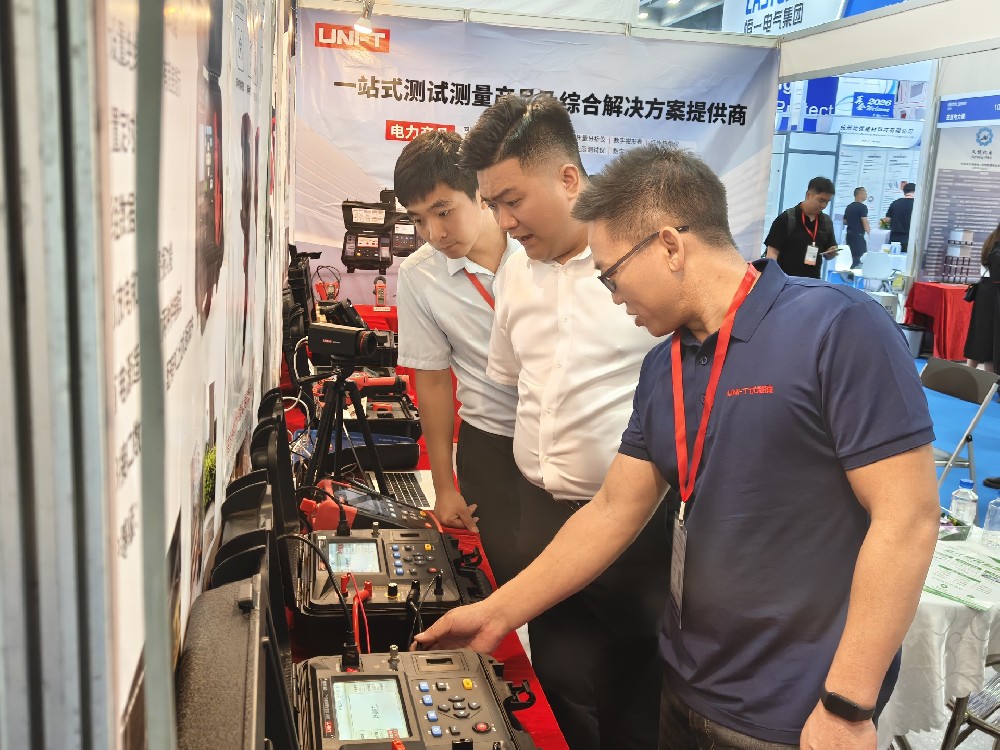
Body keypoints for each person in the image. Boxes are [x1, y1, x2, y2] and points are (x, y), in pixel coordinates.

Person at [415, 144, 941, 750]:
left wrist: (846, 707)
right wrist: (497, 613)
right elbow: (612, 511)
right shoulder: (663, 366)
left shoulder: (837, 327)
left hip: (797, 710)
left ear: (669, 246)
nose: (612, 295)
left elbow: (908, 517)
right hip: (688, 686)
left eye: (611, 273)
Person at [456, 94, 668, 750]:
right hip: (542, 517)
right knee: (555, 689)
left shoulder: (647, 263)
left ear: (569, 178)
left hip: (637, 528)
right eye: (492, 204)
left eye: (513, 200)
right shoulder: (515, 270)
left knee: (634, 696)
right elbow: (508, 389)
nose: (503, 220)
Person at [393, 131, 524, 585]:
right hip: (491, 441)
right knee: (505, 573)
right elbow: (430, 381)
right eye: (419, 220)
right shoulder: (419, 275)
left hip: (565, 433)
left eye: (443, 211)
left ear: (480, 193)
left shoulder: (535, 245)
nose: (434, 234)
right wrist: (444, 485)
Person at [764, 176, 839, 278]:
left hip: (813, 282)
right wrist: (771, 278)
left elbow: (828, 253)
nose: (824, 205)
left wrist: (831, 253)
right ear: (808, 195)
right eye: (821, 200)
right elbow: (772, 253)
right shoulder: (787, 219)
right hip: (787, 281)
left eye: (827, 202)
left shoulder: (826, 222)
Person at [964, 223, 1000, 374]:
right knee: (990, 338)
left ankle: (970, 375)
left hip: (985, 291)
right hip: (993, 294)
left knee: (980, 334)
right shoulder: (997, 248)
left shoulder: (991, 241)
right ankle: (987, 380)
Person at [843, 186, 870, 268]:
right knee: (861, 257)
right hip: (858, 236)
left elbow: (844, 221)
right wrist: (870, 234)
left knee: (851, 256)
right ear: (860, 194)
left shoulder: (849, 207)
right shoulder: (862, 207)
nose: (866, 194)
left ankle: (850, 272)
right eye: (865, 192)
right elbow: (864, 221)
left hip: (849, 235)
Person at [885, 182, 916, 252]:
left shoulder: (895, 203)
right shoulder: (917, 204)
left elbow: (887, 220)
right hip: (909, 238)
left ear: (904, 192)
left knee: (893, 257)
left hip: (894, 237)